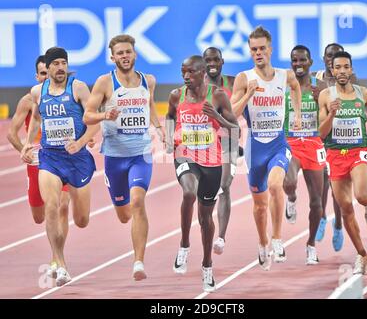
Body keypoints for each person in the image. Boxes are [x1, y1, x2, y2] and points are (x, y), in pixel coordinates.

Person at [83, 34, 165, 281]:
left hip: (141, 154)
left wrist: (160, 129)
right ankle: (123, 208)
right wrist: (104, 116)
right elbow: (88, 115)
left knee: (138, 202)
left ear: (135, 54)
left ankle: (138, 262)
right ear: (113, 57)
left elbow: (150, 105)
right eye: (120, 53)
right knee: (124, 214)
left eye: (128, 52)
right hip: (115, 158)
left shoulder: (148, 81)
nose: (125, 56)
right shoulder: (104, 83)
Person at [21, 47, 98, 286]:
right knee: (52, 206)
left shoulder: (78, 88)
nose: (60, 67)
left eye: (64, 63)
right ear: (48, 67)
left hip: (77, 159)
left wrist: (82, 141)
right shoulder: (38, 91)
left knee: (82, 219)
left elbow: (94, 118)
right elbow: (36, 117)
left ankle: (60, 258)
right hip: (51, 158)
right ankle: (60, 262)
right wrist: (27, 144)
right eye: (55, 64)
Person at [166, 55, 239, 292]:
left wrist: (216, 117)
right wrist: (169, 137)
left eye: (191, 72)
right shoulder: (177, 95)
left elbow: (234, 126)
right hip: (185, 155)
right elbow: (169, 115)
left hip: (212, 161)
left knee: (206, 219)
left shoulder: (217, 95)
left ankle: (207, 263)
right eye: (183, 72)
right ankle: (184, 245)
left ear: (202, 73)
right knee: (189, 192)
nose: (186, 77)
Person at [231, 26, 302, 270]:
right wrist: (248, 94)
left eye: (262, 48)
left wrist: (297, 113)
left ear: (270, 49)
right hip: (255, 149)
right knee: (260, 205)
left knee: (275, 185)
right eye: (254, 49)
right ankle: (263, 242)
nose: (258, 53)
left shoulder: (286, 75)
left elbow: (295, 88)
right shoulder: (244, 78)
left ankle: (277, 238)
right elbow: (232, 114)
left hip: (278, 145)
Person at [318, 51, 367, 274]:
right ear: (332, 70)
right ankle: (362, 254)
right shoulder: (325, 96)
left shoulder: (363, 93)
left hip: (358, 152)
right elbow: (321, 134)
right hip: (335, 154)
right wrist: (331, 115)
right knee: (346, 208)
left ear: (351, 70)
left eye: (345, 67)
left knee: (360, 196)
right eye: (337, 67)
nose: (341, 71)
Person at [7, 55, 70, 225]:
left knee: (62, 206)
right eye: (42, 73)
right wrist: (23, 150)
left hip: (61, 157)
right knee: (39, 217)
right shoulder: (27, 101)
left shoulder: (68, 96)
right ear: (37, 76)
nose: (46, 77)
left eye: (48, 72)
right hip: (37, 160)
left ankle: (58, 252)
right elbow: (11, 133)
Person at [283, 45, 325, 265]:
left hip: (313, 142)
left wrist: (322, 101)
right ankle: (291, 198)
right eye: (294, 61)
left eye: (302, 61)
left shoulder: (320, 87)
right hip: (291, 142)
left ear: (310, 62)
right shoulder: (284, 85)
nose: (298, 65)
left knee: (317, 201)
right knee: (289, 182)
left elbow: (329, 118)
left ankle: (310, 244)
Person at [202, 47, 237, 255]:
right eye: (208, 60)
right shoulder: (198, 84)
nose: (212, 63)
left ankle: (221, 237)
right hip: (205, 143)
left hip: (228, 141)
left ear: (222, 61)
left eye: (216, 59)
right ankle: (205, 225)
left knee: (224, 186)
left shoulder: (232, 83)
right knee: (203, 190)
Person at [313, 43, 345, 251]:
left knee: (337, 187)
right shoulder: (315, 77)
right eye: (328, 55)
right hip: (321, 136)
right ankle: (322, 216)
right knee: (321, 182)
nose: (330, 59)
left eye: (334, 56)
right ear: (324, 58)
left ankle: (339, 225)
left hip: (341, 138)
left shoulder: (347, 79)